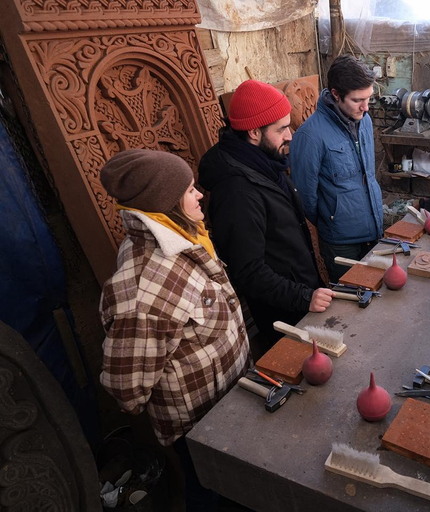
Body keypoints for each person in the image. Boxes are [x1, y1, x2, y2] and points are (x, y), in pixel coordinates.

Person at [99, 149, 250, 511]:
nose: (199, 194)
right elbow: (127, 388)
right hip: (201, 424)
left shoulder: (185, 239)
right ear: (164, 203)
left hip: (229, 405)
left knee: (238, 487)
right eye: (188, 190)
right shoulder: (144, 287)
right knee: (212, 493)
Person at [198, 80, 334, 352]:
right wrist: (304, 297)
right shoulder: (236, 191)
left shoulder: (265, 163)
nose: (291, 135)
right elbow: (247, 270)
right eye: (282, 128)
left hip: (302, 299)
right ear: (254, 132)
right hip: (283, 314)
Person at [291, 55, 384, 282]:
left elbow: (368, 173)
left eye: (368, 98)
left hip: (374, 228)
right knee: (349, 305)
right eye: (357, 100)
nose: (366, 107)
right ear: (335, 94)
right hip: (341, 242)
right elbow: (306, 199)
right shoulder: (310, 136)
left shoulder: (365, 120)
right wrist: (335, 217)